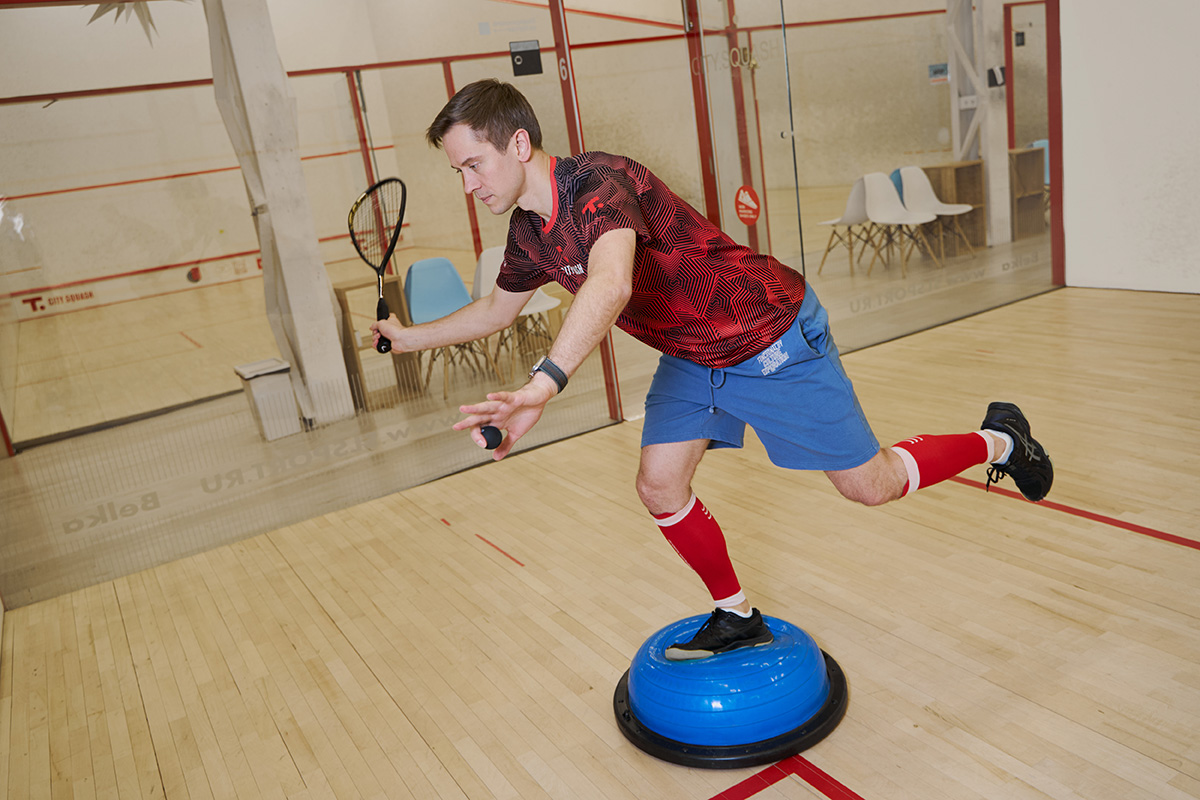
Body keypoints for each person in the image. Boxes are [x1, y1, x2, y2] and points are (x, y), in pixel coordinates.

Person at [372, 79, 1053, 661]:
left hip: (770, 332)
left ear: (517, 144)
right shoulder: (528, 229)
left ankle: (1003, 439)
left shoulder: (601, 185)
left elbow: (609, 285)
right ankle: (737, 615)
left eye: (474, 164)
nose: (468, 185)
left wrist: (543, 384)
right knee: (659, 484)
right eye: (458, 171)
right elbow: (496, 307)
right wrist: (408, 339)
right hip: (697, 355)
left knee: (869, 485)